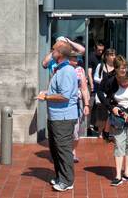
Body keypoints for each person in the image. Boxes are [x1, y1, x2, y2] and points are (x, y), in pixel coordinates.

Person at [35, 39, 82, 192]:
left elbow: (65, 96)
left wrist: (46, 97)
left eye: (53, 50)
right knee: (56, 150)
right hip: (56, 117)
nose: (51, 52)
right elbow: (59, 92)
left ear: (60, 54)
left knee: (63, 150)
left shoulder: (67, 71)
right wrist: (48, 93)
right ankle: (61, 177)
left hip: (63, 118)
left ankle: (67, 181)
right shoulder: (60, 69)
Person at [98, 56, 128, 186]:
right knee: (119, 144)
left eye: (126, 68)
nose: (124, 71)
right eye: (121, 69)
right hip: (118, 118)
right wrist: (112, 108)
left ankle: (127, 173)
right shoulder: (110, 80)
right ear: (116, 70)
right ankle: (118, 175)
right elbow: (100, 93)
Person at [91, 47, 117, 140]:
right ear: (106, 56)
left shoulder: (116, 66)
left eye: (114, 55)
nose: (113, 57)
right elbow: (95, 78)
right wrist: (104, 81)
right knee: (102, 114)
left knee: (111, 113)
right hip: (102, 93)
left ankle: (109, 132)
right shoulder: (101, 66)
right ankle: (100, 133)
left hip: (113, 94)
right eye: (111, 55)